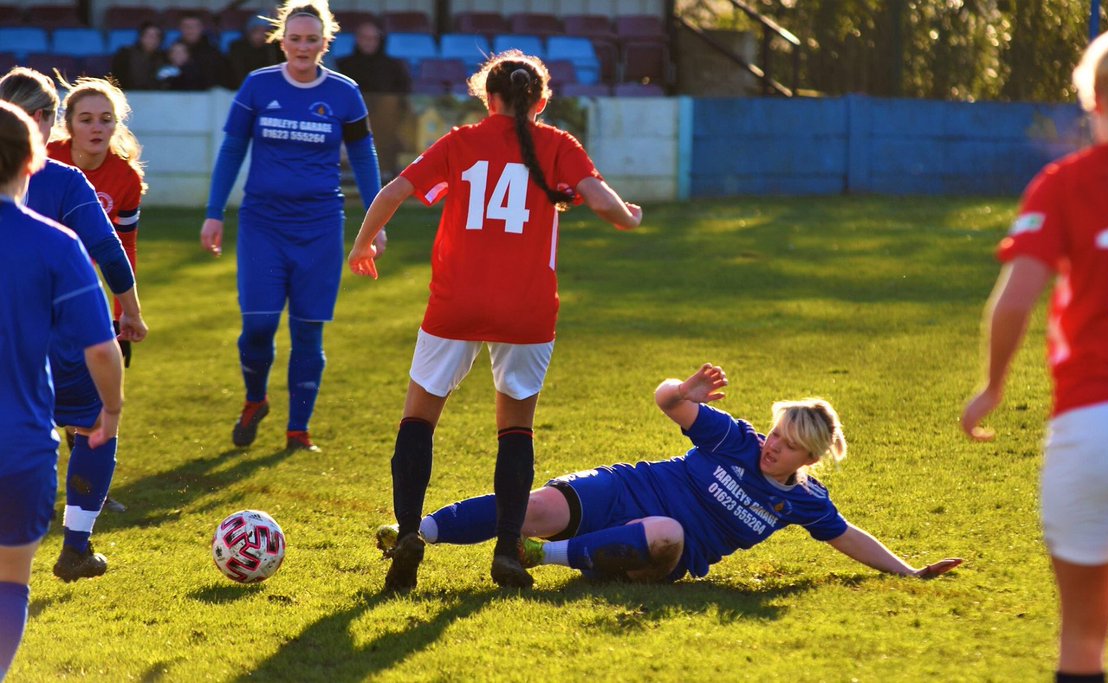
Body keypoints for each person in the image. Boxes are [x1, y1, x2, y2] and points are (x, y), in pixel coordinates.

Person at [960, 9, 1108, 683]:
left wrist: (993, 387)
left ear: (1101, 100)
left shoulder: (1068, 182)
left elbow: (1014, 301)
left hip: (1098, 418)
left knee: (1083, 642)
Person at [347, 50, 642, 591]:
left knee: (418, 421)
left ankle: (409, 534)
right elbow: (603, 203)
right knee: (515, 429)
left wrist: (363, 243)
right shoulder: (558, 145)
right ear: (541, 101)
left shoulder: (460, 142)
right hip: (526, 310)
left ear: (488, 97)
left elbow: (394, 191)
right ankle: (507, 549)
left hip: (456, 304)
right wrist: (629, 217)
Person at [377, 363, 962, 587]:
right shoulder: (735, 438)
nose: (773, 447)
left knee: (666, 532)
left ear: (808, 461)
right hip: (625, 488)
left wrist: (909, 571)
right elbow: (664, 400)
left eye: (788, 447)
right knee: (536, 506)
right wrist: (684, 390)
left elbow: (848, 537)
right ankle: (417, 532)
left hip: (666, 552)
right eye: (775, 434)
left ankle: (541, 557)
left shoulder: (803, 502)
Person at [200, 0, 383, 453]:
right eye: (295, 39)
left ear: (325, 43)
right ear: (281, 42)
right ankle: (255, 399)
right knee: (258, 327)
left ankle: (298, 431)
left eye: (312, 39)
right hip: (262, 223)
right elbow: (232, 150)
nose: (303, 47)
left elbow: (363, 157)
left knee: (307, 331)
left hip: (320, 226)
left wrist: (375, 220)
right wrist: (214, 212)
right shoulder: (258, 85)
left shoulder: (344, 93)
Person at [0, 67, 147, 582]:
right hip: (63, 337)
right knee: (94, 426)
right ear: (44, 120)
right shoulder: (64, 180)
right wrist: (130, 311)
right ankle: (76, 547)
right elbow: (108, 249)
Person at [0, 99, 123, 679]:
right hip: (20, 448)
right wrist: (112, 409)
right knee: (9, 582)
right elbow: (101, 348)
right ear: (34, 161)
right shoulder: (56, 244)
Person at [47, 76, 147, 366]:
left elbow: (124, 247)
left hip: (79, 281)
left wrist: (121, 315)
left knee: (90, 371)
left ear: (116, 125)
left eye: (105, 119)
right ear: (69, 125)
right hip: (31, 277)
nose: (97, 128)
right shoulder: (43, 159)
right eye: (86, 119)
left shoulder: (126, 178)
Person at [335, 19, 410, 94]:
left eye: (374, 38)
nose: (369, 41)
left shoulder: (395, 67)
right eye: (364, 37)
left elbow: (404, 94)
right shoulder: (342, 65)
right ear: (357, 39)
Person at [173, 10, 226, 90]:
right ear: (180, 28)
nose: (190, 29)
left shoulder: (213, 53)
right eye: (186, 26)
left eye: (194, 26)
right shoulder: (172, 51)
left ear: (201, 28)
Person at [226, 15, 284, 88]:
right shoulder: (237, 47)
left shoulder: (270, 49)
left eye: (264, 32)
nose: (260, 36)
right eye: (257, 31)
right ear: (250, 31)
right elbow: (238, 71)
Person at [110, 20, 167, 91]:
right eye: (149, 35)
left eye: (156, 36)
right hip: (128, 93)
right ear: (141, 37)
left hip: (156, 95)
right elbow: (115, 78)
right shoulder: (125, 54)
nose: (152, 39)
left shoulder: (164, 58)